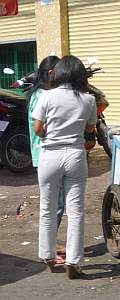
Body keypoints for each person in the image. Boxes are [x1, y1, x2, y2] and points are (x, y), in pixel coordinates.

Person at [32, 55, 97, 279]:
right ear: (80, 75)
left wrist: (51, 129)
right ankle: (74, 261)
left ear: (58, 73)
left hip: (50, 155)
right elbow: (90, 130)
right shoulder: (89, 99)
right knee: (76, 211)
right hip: (76, 155)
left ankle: (48, 256)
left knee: (47, 208)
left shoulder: (47, 96)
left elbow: (38, 129)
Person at [27, 55, 66, 264]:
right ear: (52, 73)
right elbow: (41, 129)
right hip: (45, 154)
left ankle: (51, 244)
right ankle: (48, 248)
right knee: (55, 205)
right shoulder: (43, 95)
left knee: (55, 204)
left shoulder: (41, 94)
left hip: (46, 155)